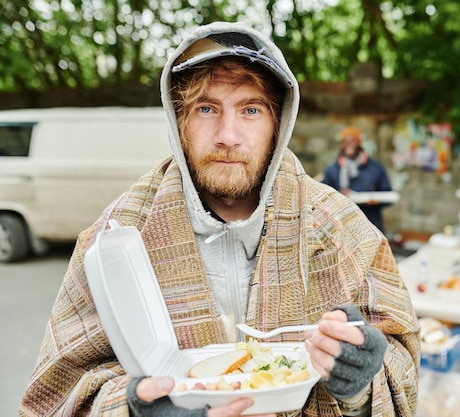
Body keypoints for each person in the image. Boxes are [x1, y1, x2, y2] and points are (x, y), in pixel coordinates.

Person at [18, 22, 420, 417]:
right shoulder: (115, 238)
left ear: (278, 124)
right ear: (179, 121)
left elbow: (402, 371)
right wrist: (133, 407)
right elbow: (54, 397)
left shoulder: (342, 228)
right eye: (206, 108)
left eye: (251, 109)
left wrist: (359, 384)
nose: (228, 135)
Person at [320, 126, 393, 234]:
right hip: (342, 228)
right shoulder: (331, 171)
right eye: (345, 141)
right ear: (341, 144)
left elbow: (388, 195)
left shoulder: (375, 168)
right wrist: (339, 196)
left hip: (370, 224)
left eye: (352, 140)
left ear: (359, 143)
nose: (348, 143)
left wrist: (374, 200)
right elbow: (323, 199)